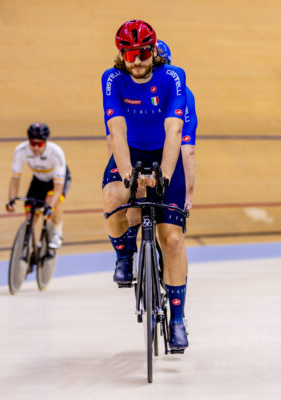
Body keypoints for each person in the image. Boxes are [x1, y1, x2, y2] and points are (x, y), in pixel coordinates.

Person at [101, 20, 189, 350]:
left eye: (142, 53)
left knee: (172, 238)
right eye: (129, 54)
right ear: (121, 55)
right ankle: (125, 255)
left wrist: (164, 173)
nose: (136, 61)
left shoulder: (173, 77)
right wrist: (128, 175)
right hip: (132, 151)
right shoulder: (112, 79)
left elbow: (174, 130)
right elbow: (117, 130)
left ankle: (177, 320)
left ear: (153, 51)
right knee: (113, 197)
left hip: (165, 153)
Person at [104, 38, 197, 282]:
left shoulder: (125, 86)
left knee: (132, 201)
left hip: (147, 153)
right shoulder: (181, 91)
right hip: (158, 154)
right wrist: (188, 195)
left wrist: (123, 181)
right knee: (169, 232)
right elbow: (186, 151)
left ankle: (129, 253)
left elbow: (113, 142)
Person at [6, 122, 71, 249]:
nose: (35, 147)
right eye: (33, 143)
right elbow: (15, 179)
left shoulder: (56, 153)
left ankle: (57, 232)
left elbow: (58, 189)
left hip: (56, 180)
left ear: (45, 142)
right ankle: (32, 247)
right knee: (30, 216)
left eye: (39, 144)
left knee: (52, 201)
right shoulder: (21, 151)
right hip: (39, 179)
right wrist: (11, 200)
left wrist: (50, 206)